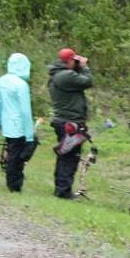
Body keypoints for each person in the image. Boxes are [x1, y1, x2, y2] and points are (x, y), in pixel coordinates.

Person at [47, 47, 93, 199]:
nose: (78, 63)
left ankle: (61, 188)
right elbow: (88, 81)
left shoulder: (59, 74)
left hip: (64, 121)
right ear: (69, 61)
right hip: (70, 122)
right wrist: (85, 67)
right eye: (75, 60)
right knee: (70, 157)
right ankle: (63, 191)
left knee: (65, 155)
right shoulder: (66, 75)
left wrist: (77, 67)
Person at [0, 53, 39, 192]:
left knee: (12, 153)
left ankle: (12, 182)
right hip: (19, 125)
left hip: (7, 123)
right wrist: (30, 135)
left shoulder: (1, 81)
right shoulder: (21, 85)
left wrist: (1, 123)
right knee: (17, 157)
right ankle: (14, 185)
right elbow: (25, 111)